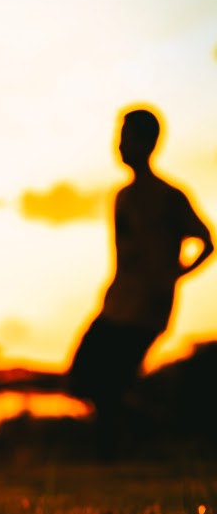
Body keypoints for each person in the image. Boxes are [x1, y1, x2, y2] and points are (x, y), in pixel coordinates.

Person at [67, 107, 211, 457]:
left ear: (146, 143)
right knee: (85, 377)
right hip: (117, 302)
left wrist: (175, 275)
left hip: (147, 308)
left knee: (111, 383)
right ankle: (146, 434)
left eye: (125, 137)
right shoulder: (122, 196)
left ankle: (133, 444)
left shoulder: (169, 197)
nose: (118, 145)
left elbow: (207, 241)